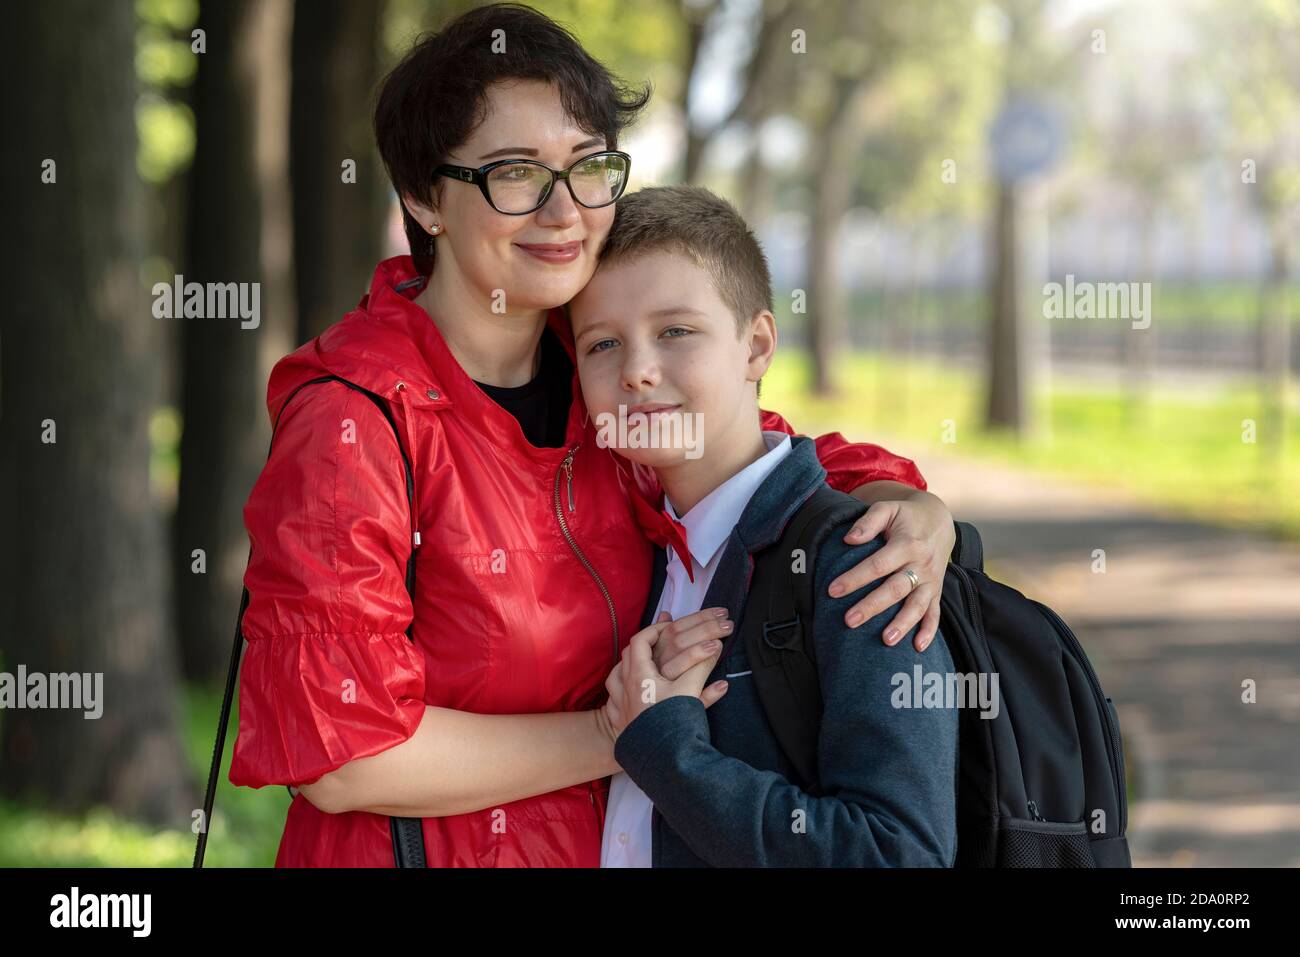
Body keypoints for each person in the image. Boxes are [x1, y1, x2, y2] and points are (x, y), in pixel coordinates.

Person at [228, 2, 956, 867]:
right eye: (514, 173)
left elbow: (743, 452)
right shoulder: (356, 419)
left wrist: (900, 502)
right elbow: (342, 752)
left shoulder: (597, 375)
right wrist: (626, 734)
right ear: (424, 199)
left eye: (585, 167)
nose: (563, 210)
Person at [572, 185, 958, 866]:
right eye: (602, 343)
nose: (636, 370)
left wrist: (668, 747)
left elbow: (899, 854)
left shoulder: (859, 563)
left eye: (675, 331)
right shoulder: (631, 549)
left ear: (756, 346)